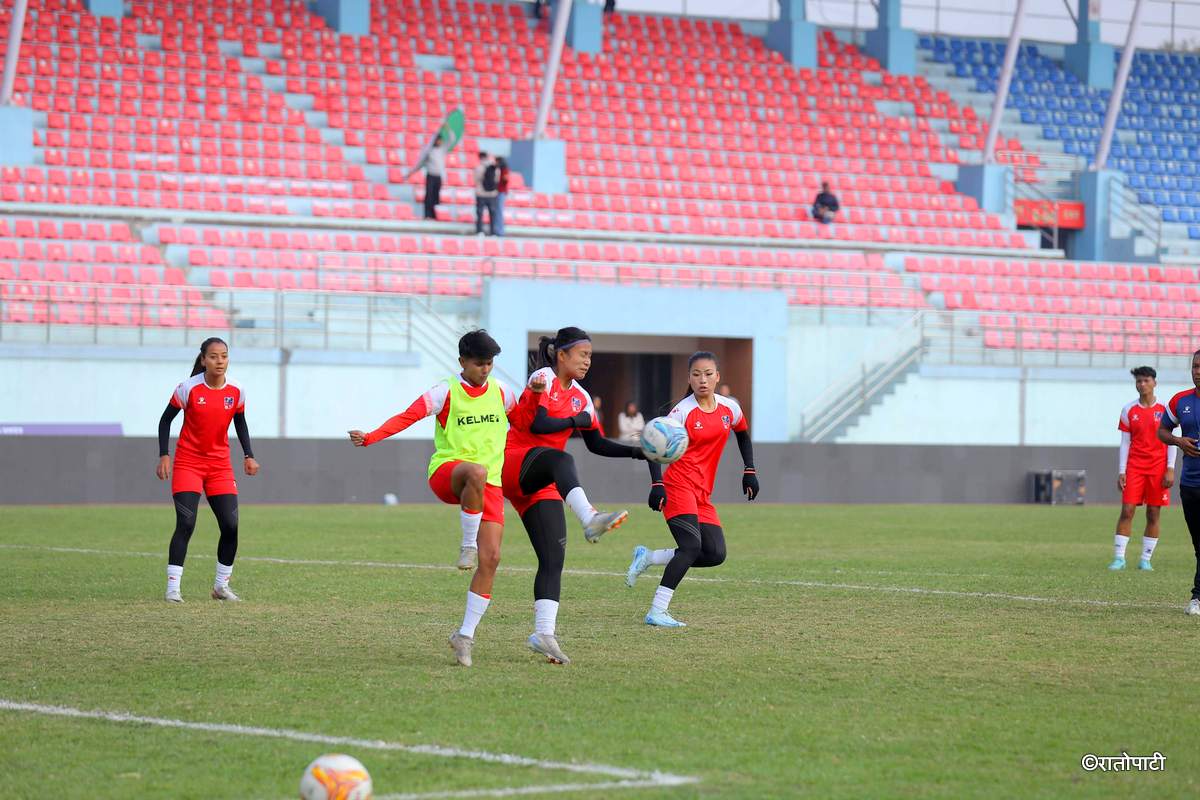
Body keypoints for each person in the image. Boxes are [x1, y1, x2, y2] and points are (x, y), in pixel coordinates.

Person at [348, 330, 538, 667]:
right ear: (462, 361)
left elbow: (523, 422)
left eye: (490, 363)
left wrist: (534, 397)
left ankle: (464, 635)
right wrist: (372, 436)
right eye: (480, 363)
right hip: (449, 473)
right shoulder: (445, 391)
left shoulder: (503, 393)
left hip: (490, 486)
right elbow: (408, 415)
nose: (486, 369)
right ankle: (466, 545)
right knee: (475, 472)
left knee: (492, 559)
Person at [504, 326, 648, 664]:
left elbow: (596, 443)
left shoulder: (581, 396)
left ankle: (544, 634)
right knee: (563, 457)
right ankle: (589, 518)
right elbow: (538, 425)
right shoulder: (543, 377)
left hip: (544, 480)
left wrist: (636, 452)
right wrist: (576, 419)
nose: (587, 361)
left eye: (590, 356)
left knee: (554, 558)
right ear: (562, 354)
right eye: (582, 355)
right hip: (513, 463)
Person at [625, 351, 759, 627]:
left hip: (702, 493)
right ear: (689, 378)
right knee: (690, 547)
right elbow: (653, 445)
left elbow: (743, 435)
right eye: (696, 374)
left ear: (718, 377)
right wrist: (657, 484)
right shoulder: (682, 411)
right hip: (677, 486)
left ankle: (649, 557)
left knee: (715, 554)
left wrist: (750, 470)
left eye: (708, 374)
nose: (703, 380)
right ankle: (657, 611)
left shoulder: (729, 408)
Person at [157, 337, 259, 603]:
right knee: (187, 523)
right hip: (188, 463)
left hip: (219, 467)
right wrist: (164, 455)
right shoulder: (188, 388)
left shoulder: (237, 391)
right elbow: (165, 420)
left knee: (231, 525)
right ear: (203, 359)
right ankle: (173, 589)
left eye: (223, 356)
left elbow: (241, 423)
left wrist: (249, 455)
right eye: (213, 356)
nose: (219, 361)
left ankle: (220, 587)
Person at [1110, 366, 1176, 571]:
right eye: (1139, 381)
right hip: (1135, 467)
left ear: (1154, 383)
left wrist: (1170, 468)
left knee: (1153, 513)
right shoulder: (1128, 410)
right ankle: (1119, 558)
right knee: (1127, 510)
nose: (1142, 384)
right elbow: (1125, 443)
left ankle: (1145, 559)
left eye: (1146, 380)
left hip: (1158, 468)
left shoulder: (1165, 409)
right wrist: (1122, 470)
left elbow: (1172, 440)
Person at [1158, 350, 1200, 616]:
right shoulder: (1180, 401)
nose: (1198, 370)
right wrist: (1179, 441)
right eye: (1195, 366)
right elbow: (1162, 430)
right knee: (1198, 544)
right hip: (1190, 485)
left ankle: (1196, 597)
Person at [422, 135, 447, 221]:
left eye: (440, 141)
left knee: (436, 196)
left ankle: (435, 215)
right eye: (438, 140)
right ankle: (427, 215)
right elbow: (422, 160)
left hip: (438, 176)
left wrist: (447, 129)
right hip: (431, 175)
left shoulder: (442, 150)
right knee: (429, 195)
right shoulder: (429, 150)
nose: (439, 142)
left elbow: (451, 139)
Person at [474, 151, 499, 236]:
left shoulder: (478, 167)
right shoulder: (495, 168)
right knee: (492, 214)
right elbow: (497, 180)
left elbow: (476, 180)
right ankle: (493, 232)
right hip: (492, 194)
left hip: (481, 194)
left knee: (480, 213)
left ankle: (480, 231)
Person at [494, 156, 509, 236]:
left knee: (499, 211)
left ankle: (500, 231)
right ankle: (497, 230)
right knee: (497, 211)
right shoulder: (500, 170)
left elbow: (505, 180)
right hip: (499, 192)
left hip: (501, 192)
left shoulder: (505, 170)